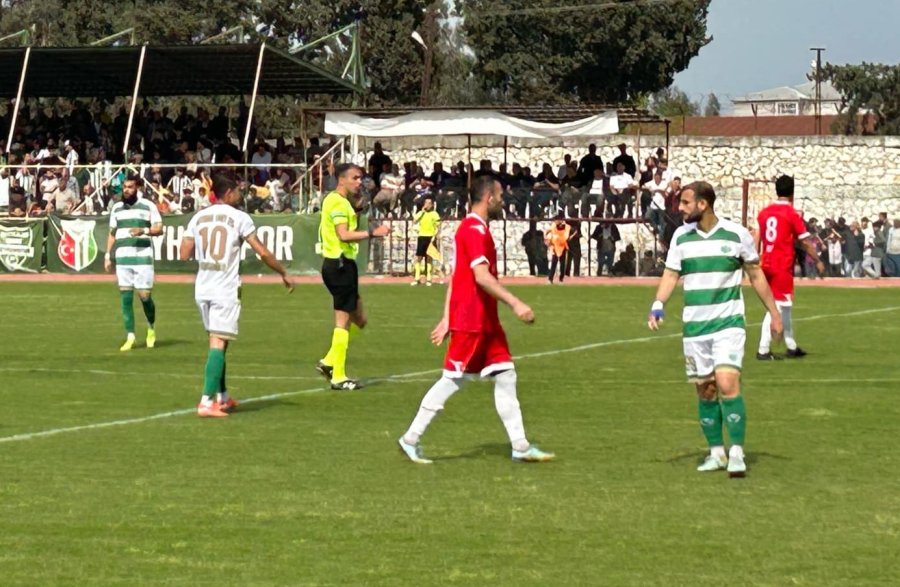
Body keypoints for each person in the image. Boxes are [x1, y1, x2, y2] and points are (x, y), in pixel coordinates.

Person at [397, 176, 555, 464]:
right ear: (488, 198)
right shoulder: (473, 230)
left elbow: (457, 276)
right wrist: (516, 303)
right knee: (452, 380)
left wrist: (446, 317)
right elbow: (480, 277)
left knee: (506, 375)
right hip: (472, 321)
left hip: (485, 321)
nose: (503, 201)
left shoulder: (473, 228)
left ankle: (520, 445)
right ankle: (410, 439)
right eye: (500, 196)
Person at [647, 181, 783, 478]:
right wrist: (658, 304)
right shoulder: (681, 237)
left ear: (703, 204)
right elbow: (671, 274)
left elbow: (756, 276)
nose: (679, 208)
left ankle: (736, 453)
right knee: (705, 391)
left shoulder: (737, 235)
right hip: (695, 329)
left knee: (726, 383)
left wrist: (774, 314)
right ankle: (716, 453)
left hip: (728, 324)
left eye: (684, 203)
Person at [180, 174, 295, 418]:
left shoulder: (198, 217)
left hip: (202, 286)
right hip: (225, 287)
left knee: (219, 341)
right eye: (238, 191)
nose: (241, 195)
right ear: (229, 192)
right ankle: (205, 402)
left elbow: (183, 253)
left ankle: (222, 397)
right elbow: (262, 252)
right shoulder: (240, 217)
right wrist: (283, 272)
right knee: (218, 343)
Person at [317, 163, 391, 390]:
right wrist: (372, 232)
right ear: (342, 179)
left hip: (339, 265)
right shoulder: (338, 202)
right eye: (355, 178)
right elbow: (343, 234)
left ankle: (329, 361)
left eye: (361, 178)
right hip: (339, 265)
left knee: (359, 319)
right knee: (343, 321)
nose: (359, 182)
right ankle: (338, 376)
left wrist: (357, 211)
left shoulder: (336, 200)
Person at [755, 175, 825, 360]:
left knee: (784, 307)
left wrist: (755, 259)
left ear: (776, 190)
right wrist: (817, 260)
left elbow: (757, 236)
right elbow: (805, 242)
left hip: (766, 263)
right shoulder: (791, 214)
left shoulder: (764, 212)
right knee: (776, 307)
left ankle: (791, 345)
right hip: (781, 265)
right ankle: (763, 349)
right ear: (792, 192)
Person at [104, 176, 163, 352]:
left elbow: (159, 229)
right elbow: (112, 233)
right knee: (125, 297)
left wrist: (143, 230)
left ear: (137, 188)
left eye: (130, 187)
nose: (126, 190)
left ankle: (151, 328)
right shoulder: (117, 208)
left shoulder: (148, 206)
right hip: (122, 259)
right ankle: (130, 336)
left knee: (145, 297)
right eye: (125, 187)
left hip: (142, 257)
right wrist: (108, 255)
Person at [411, 197, 441, 286]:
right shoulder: (421, 213)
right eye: (426, 203)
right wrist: (421, 211)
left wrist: (434, 236)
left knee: (429, 258)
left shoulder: (434, 214)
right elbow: (415, 221)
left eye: (429, 203)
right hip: (421, 236)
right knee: (418, 258)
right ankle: (417, 278)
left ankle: (429, 279)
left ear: (432, 205)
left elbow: (438, 227)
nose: (427, 205)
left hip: (430, 237)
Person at [544, 214, 570, 284]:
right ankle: (550, 279)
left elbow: (566, 236)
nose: (555, 221)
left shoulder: (566, 227)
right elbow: (546, 231)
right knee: (554, 263)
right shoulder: (553, 226)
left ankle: (561, 279)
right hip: (555, 246)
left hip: (563, 246)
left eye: (556, 220)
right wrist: (545, 238)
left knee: (562, 264)